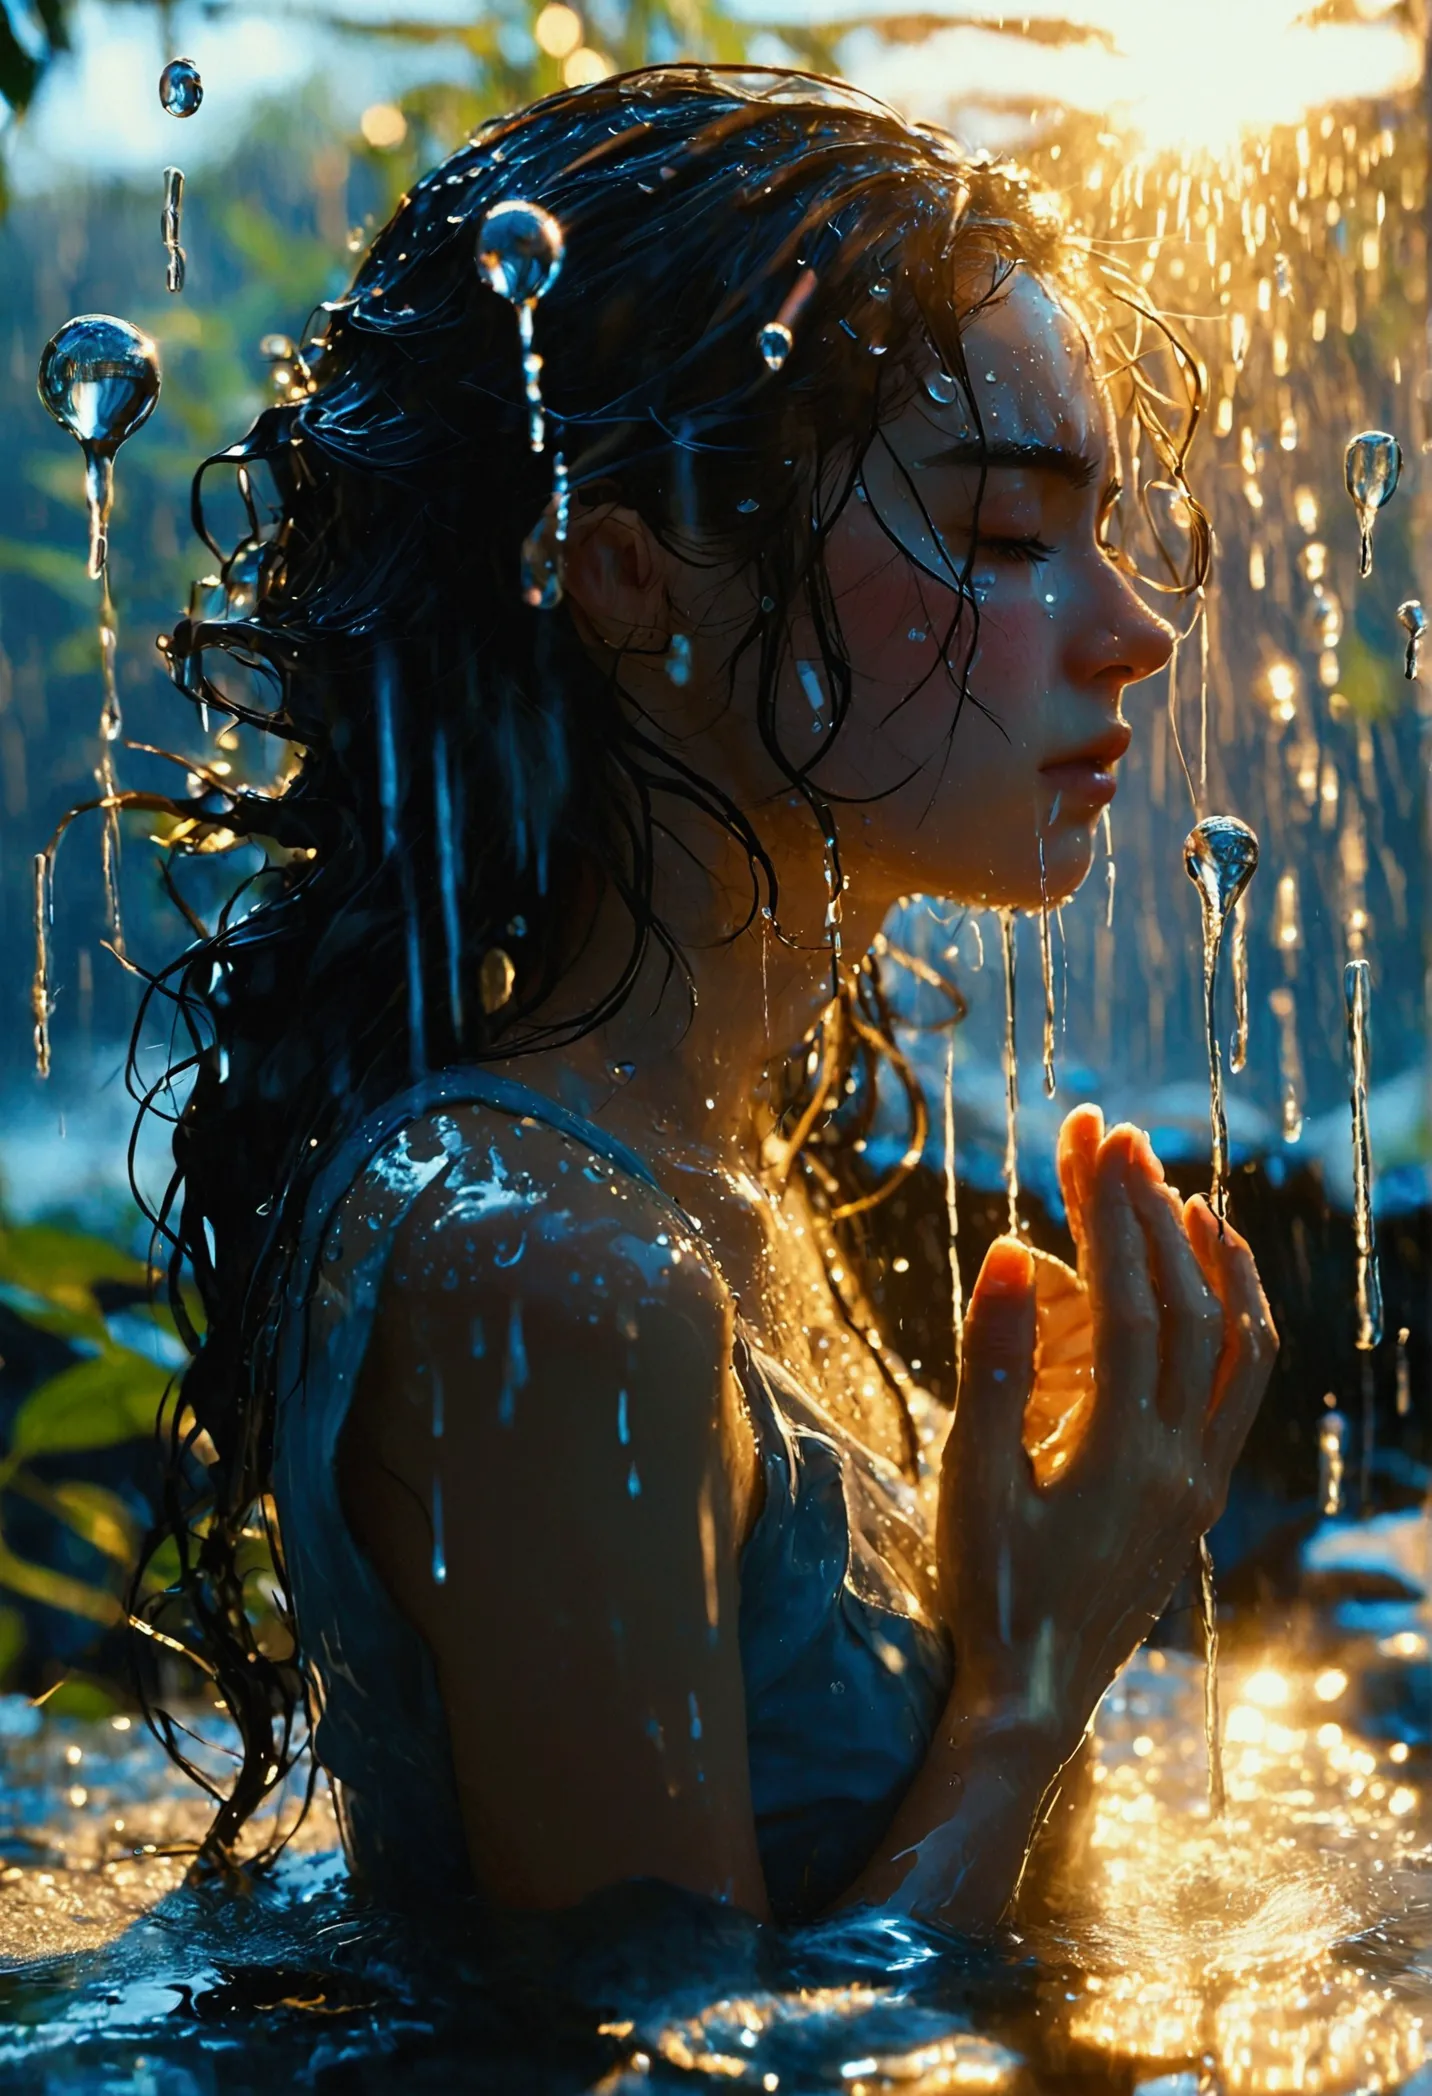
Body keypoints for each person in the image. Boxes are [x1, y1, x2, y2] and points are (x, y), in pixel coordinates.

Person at [136, 64, 1276, 1930]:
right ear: (627, 571)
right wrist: (1040, 1678)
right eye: (1004, 537)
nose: (1135, 625)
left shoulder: (705, 1180)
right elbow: (690, 2063)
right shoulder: (547, 1277)